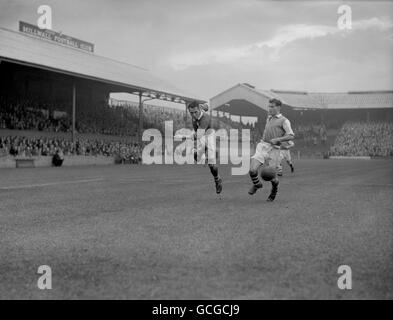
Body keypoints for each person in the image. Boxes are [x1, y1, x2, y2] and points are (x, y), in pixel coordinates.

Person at [248, 98, 295, 201]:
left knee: (271, 177)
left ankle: (274, 191)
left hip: (274, 150)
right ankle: (257, 184)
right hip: (262, 146)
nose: (269, 109)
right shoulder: (269, 117)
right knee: (252, 170)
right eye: (269, 106)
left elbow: (291, 135)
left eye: (272, 107)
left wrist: (278, 139)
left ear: (278, 107)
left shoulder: (284, 121)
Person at [187, 101, 222, 194]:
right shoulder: (195, 115)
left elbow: (198, 135)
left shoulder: (205, 118)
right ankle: (199, 154)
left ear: (199, 109)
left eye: (195, 112)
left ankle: (217, 180)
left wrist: (187, 136)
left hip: (209, 136)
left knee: (212, 166)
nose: (193, 115)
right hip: (201, 135)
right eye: (191, 113)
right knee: (197, 156)